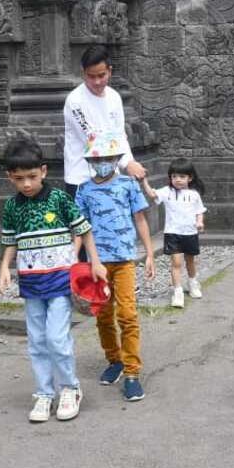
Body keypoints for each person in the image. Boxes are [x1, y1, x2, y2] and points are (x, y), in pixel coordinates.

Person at [0, 137, 107, 423]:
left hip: (59, 281)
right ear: (10, 177)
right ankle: (44, 392)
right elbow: (10, 241)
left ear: (43, 171)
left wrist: (94, 262)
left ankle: (70, 388)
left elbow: (84, 229)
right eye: (19, 179)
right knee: (37, 340)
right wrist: (5, 268)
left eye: (32, 177)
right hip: (31, 285)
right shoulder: (12, 207)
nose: (27, 184)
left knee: (57, 338)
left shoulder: (59, 199)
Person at [74, 130, 155, 402]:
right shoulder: (84, 190)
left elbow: (140, 219)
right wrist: (75, 259)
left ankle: (132, 372)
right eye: (96, 159)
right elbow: (80, 227)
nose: (102, 163)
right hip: (97, 262)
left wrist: (150, 254)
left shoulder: (128, 185)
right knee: (103, 315)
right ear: (88, 161)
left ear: (117, 158)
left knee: (128, 314)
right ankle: (114, 360)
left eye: (108, 158)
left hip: (124, 261)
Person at [63, 45, 146, 200]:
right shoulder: (74, 101)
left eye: (102, 75)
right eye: (91, 76)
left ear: (110, 71)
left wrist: (130, 161)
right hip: (81, 178)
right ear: (83, 74)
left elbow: (119, 135)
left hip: (112, 177)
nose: (97, 81)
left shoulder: (114, 97)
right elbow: (93, 140)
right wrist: (127, 164)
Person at [139, 158, 207, 308]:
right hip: (172, 233)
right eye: (174, 176)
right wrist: (144, 180)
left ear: (190, 178)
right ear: (170, 177)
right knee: (176, 262)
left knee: (190, 261)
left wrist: (200, 222)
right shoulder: (166, 192)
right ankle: (177, 291)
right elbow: (152, 194)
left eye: (182, 177)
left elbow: (199, 211)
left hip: (190, 233)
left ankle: (193, 283)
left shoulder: (194, 194)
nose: (178, 180)